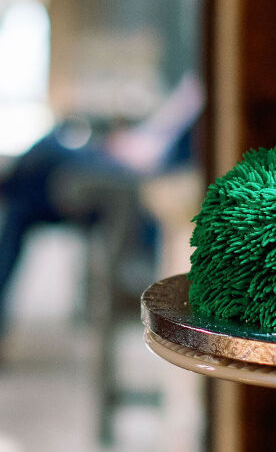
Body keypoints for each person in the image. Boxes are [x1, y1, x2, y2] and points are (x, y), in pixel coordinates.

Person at [0, 73, 203, 338]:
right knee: (22, 204)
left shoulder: (205, 101)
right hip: (122, 153)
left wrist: (137, 151)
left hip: (131, 169)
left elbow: (165, 158)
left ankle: (8, 184)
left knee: (42, 157)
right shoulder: (191, 89)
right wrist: (128, 141)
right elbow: (154, 134)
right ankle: (9, 185)